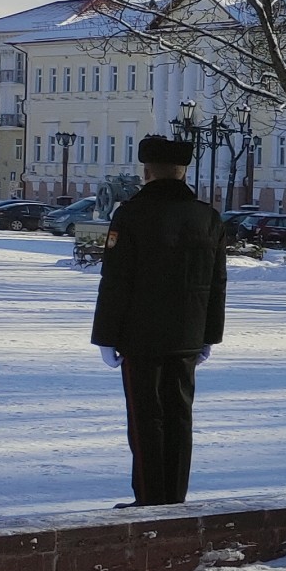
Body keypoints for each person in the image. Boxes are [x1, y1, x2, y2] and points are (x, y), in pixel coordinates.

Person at [90, 134, 227, 508]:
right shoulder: (208, 217)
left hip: (141, 335)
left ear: (147, 172)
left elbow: (116, 280)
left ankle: (150, 501)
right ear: (183, 174)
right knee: (180, 418)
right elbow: (216, 283)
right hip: (187, 336)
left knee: (146, 420)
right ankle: (174, 500)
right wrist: (209, 336)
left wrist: (105, 336)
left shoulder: (131, 214)